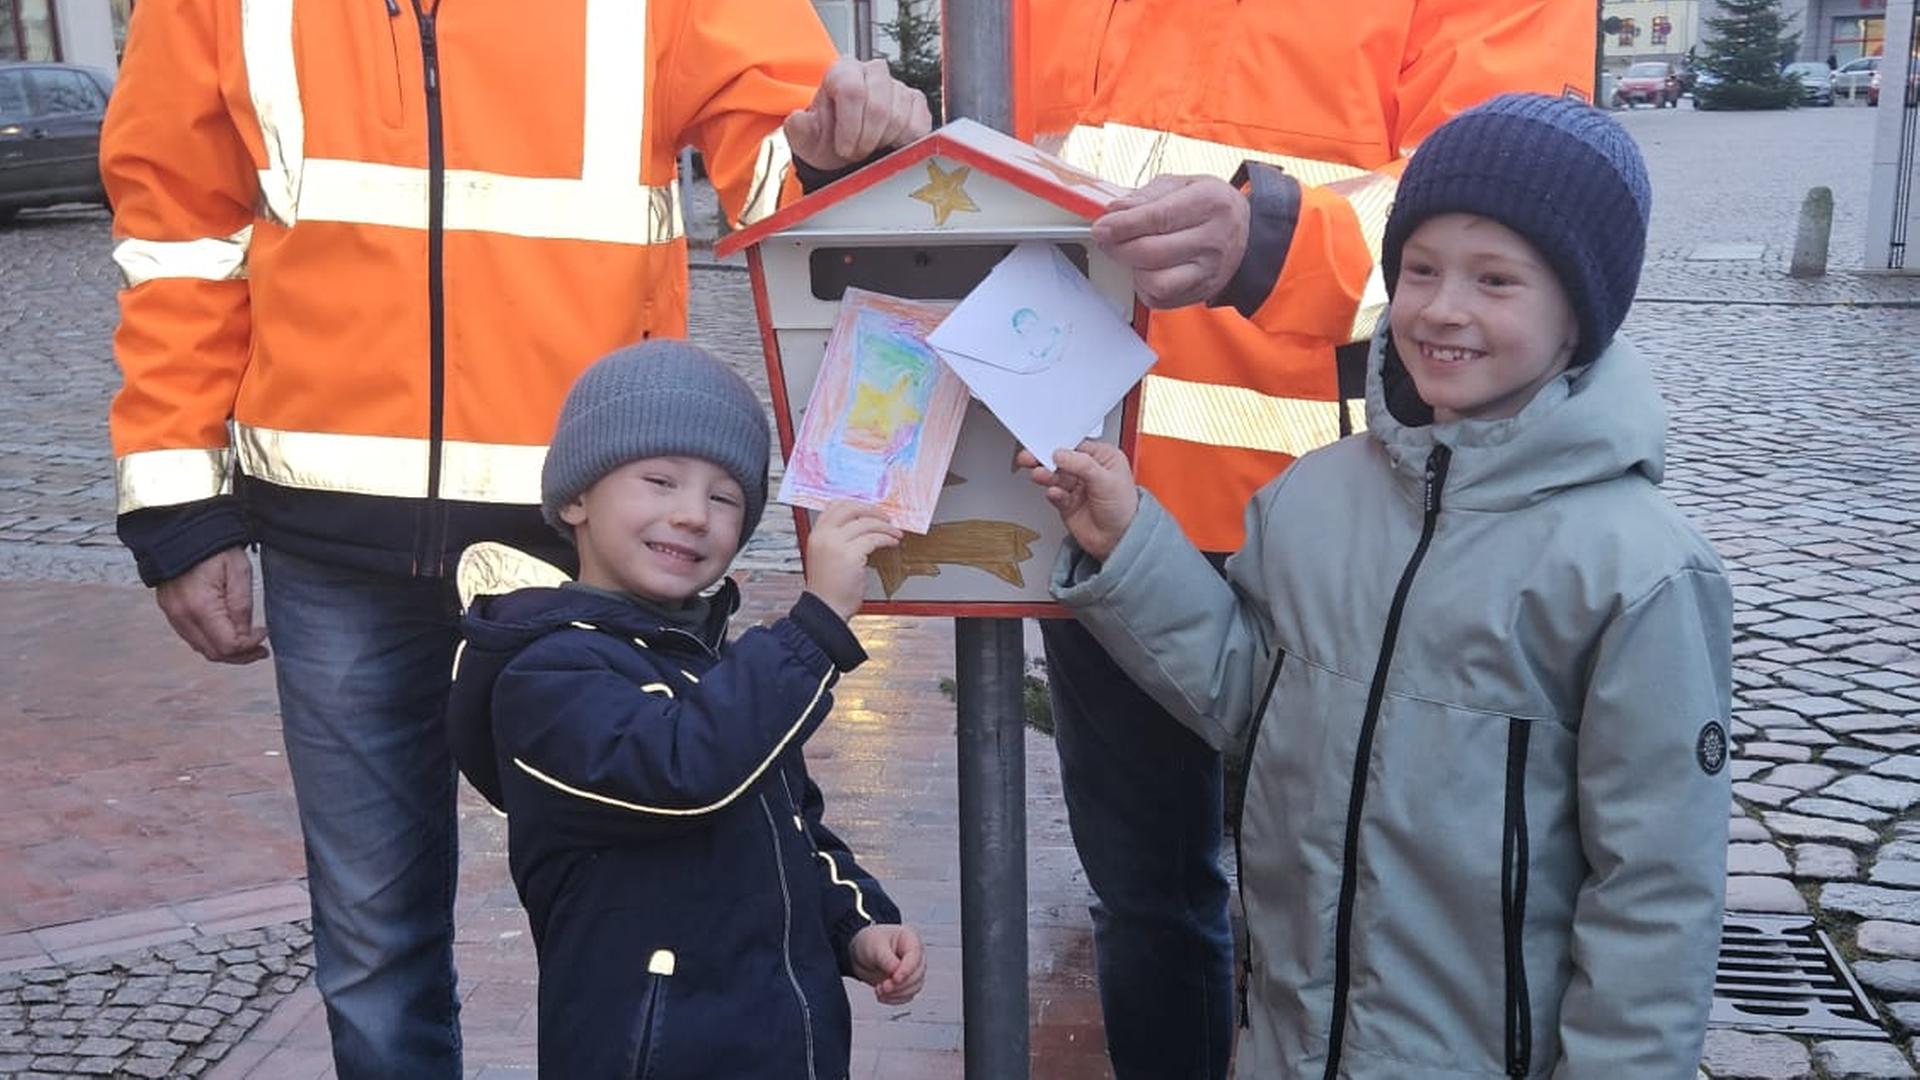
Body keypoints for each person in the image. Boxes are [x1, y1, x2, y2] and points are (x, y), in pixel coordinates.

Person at [99, 3, 929, 1074]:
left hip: (591, 539)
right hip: (339, 530)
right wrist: (175, 497)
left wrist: (840, 150)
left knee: (660, 898)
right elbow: (177, 228)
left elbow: (789, 156)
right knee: (373, 943)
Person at [1023, 94, 1733, 1077]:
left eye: (1496, 279)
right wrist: (1129, 542)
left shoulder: (1637, 573)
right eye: (1420, 270)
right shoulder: (1312, 499)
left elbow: (1655, 896)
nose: (1443, 308)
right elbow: (1248, 697)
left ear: (1582, 309)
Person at [445, 341, 923, 1078]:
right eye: (659, 481)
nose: (692, 515)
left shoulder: (718, 665)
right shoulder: (545, 672)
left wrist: (856, 924)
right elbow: (684, 772)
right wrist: (816, 627)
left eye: (723, 498)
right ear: (575, 499)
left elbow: (792, 824)